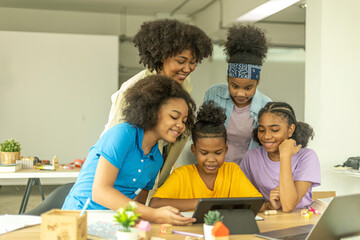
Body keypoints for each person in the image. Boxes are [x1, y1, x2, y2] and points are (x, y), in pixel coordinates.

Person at [63, 75, 197, 225]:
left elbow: (137, 209)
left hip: (115, 224)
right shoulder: (123, 134)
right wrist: (154, 214)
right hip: (79, 219)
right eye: (174, 117)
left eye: (184, 121)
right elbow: (100, 192)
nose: (181, 125)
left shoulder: (156, 159)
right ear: (152, 111)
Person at [102, 19, 213, 191]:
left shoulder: (182, 85)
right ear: (161, 57)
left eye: (193, 62)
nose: (188, 68)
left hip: (151, 182)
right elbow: (114, 139)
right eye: (181, 61)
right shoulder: (134, 90)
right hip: (122, 183)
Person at [149, 101, 262, 212]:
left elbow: (258, 204)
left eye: (218, 153)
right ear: (194, 150)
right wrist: (202, 203)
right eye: (204, 153)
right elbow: (154, 204)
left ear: (226, 150)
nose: (211, 159)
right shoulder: (181, 175)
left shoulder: (232, 171)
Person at [204, 24, 271, 165]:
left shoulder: (266, 106)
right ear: (227, 78)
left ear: (258, 81)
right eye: (234, 86)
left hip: (248, 172)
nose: (240, 93)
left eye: (248, 88)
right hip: (214, 167)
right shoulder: (213, 94)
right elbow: (202, 132)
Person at [239, 102, 321, 212]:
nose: (266, 136)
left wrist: (285, 156)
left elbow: (288, 206)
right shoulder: (252, 157)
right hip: (268, 220)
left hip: (301, 221)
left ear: (290, 130)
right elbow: (241, 199)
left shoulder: (307, 157)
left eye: (274, 130)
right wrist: (268, 205)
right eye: (262, 130)